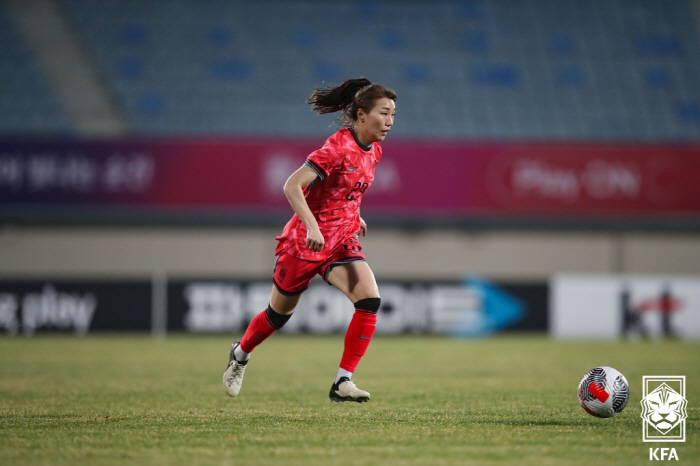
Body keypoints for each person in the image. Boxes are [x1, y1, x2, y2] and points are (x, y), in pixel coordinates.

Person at [223, 77, 396, 403]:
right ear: (361, 115)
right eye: (383, 113)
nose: (389, 122)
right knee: (277, 317)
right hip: (305, 243)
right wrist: (313, 227)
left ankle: (342, 382)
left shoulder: (375, 151)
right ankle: (240, 352)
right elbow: (292, 185)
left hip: (341, 241)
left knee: (369, 300)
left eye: (393, 115)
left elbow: (345, 189)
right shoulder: (337, 148)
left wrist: (353, 213)